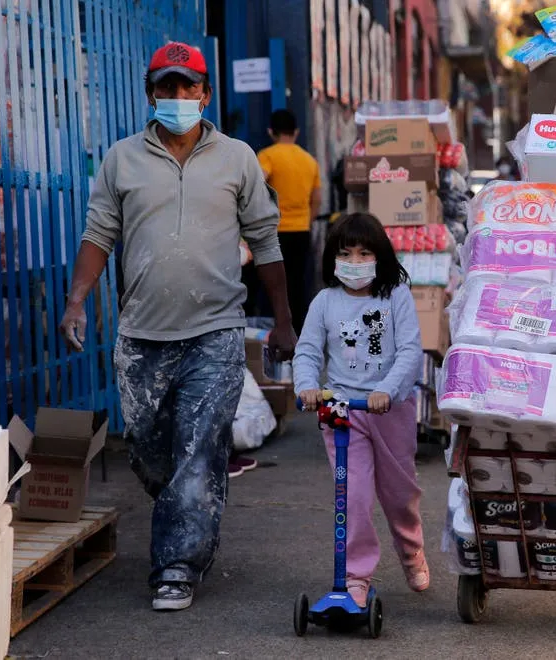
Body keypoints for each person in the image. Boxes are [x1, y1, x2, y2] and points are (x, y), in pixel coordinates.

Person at [59, 42, 296, 612]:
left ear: (206, 94)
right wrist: (76, 302)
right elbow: (98, 234)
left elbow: (265, 239)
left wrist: (285, 320)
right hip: (142, 333)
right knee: (148, 448)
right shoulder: (121, 159)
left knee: (198, 446)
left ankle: (177, 564)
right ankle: (187, 510)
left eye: (189, 86)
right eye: (167, 87)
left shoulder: (238, 157)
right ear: (152, 94)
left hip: (215, 328)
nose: (179, 96)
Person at [293, 213, 428, 608]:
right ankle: (356, 576)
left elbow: (409, 350)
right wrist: (306, 386)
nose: (355, 260)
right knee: (351, 496)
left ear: (379, 256)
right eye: (346, 252)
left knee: (399, 494)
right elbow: (308, 350)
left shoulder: (395, 295)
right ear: (333, 259)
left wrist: (387, 389)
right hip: (340, 411)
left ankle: (410, 549)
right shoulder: (324, 302)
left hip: (391, 409)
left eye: (365, 252)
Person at [258, 109, 322, 336]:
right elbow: (317, 200)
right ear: (296, 132)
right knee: (298, 284)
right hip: (301, 231)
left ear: (270, 132)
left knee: (273, 285)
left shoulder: (267, 156)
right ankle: (300, 333)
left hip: (275, 233)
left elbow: (258, 184)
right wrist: (307, 220)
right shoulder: (310, 160)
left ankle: (274, 332)